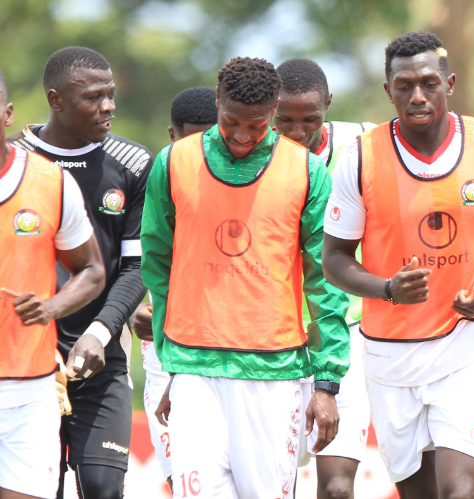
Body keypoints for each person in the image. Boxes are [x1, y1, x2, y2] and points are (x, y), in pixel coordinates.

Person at [322, 32, 474, 499]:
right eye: (403, 85)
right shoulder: (361, 156)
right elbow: (335, 259)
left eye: (428, 83)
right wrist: (386, 289)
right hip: (388, 352)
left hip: (468, 342)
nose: (417, 96)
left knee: (460, 492)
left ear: (450, 82)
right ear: (388, 91)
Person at [141, 56, 350, 498]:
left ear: (274, 110)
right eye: (231, 121)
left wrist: (327, 382)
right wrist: (171, 364)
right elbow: (157, 264)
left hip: (273, 371)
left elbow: (325, 280)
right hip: (194, 367)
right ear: (217, 100)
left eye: (256, 125)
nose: (241, 136)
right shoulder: (173, 162)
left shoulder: (307, 171)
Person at [8, 47, 153, 499]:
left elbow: (136, 266)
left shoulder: (133, 164)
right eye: (92, 97)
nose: (107, 106)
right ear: (55, 100)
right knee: (38, 489)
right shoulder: (16, 161)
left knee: (103, 487)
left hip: (100, 352)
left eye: (110, 95)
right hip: (26, 359)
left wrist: (101, 331)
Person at [0, 67, 105, 499]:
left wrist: (51, 306)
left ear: (7, 114)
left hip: (30, 391)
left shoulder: (51, 181)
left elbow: (92, 270)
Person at [274, 58, 373, 499]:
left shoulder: (366, 144)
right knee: (274, 481)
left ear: (329, 104)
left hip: (345, 332)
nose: (297, 132)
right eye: (285, 121)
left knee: (336, 487)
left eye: (310, 119)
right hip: (272, 339)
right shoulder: (250, 155)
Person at [130, 86, 218, 490]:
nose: (200, 150)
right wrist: (134, 311)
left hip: (238, 361)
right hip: (163, 359)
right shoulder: (151, 185)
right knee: (183, 482)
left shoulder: (248, 189)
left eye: (210, 137)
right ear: (172, 136)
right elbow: (130, 263)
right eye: (190, 139)